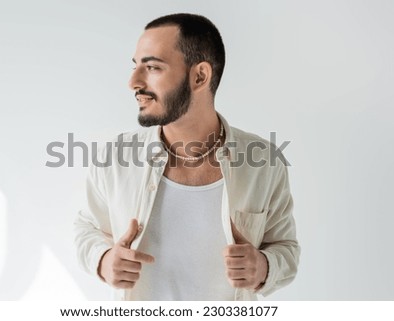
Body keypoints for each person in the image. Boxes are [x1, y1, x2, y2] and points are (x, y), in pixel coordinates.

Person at [75, 13, 300, 301]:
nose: (133, 82)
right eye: (135, 67)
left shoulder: (264, 163)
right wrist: (103, 260)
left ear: (199, 76)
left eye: (153, 67)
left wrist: (263, 267)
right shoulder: (114, 158)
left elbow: (285, 248)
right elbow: (86, 227)